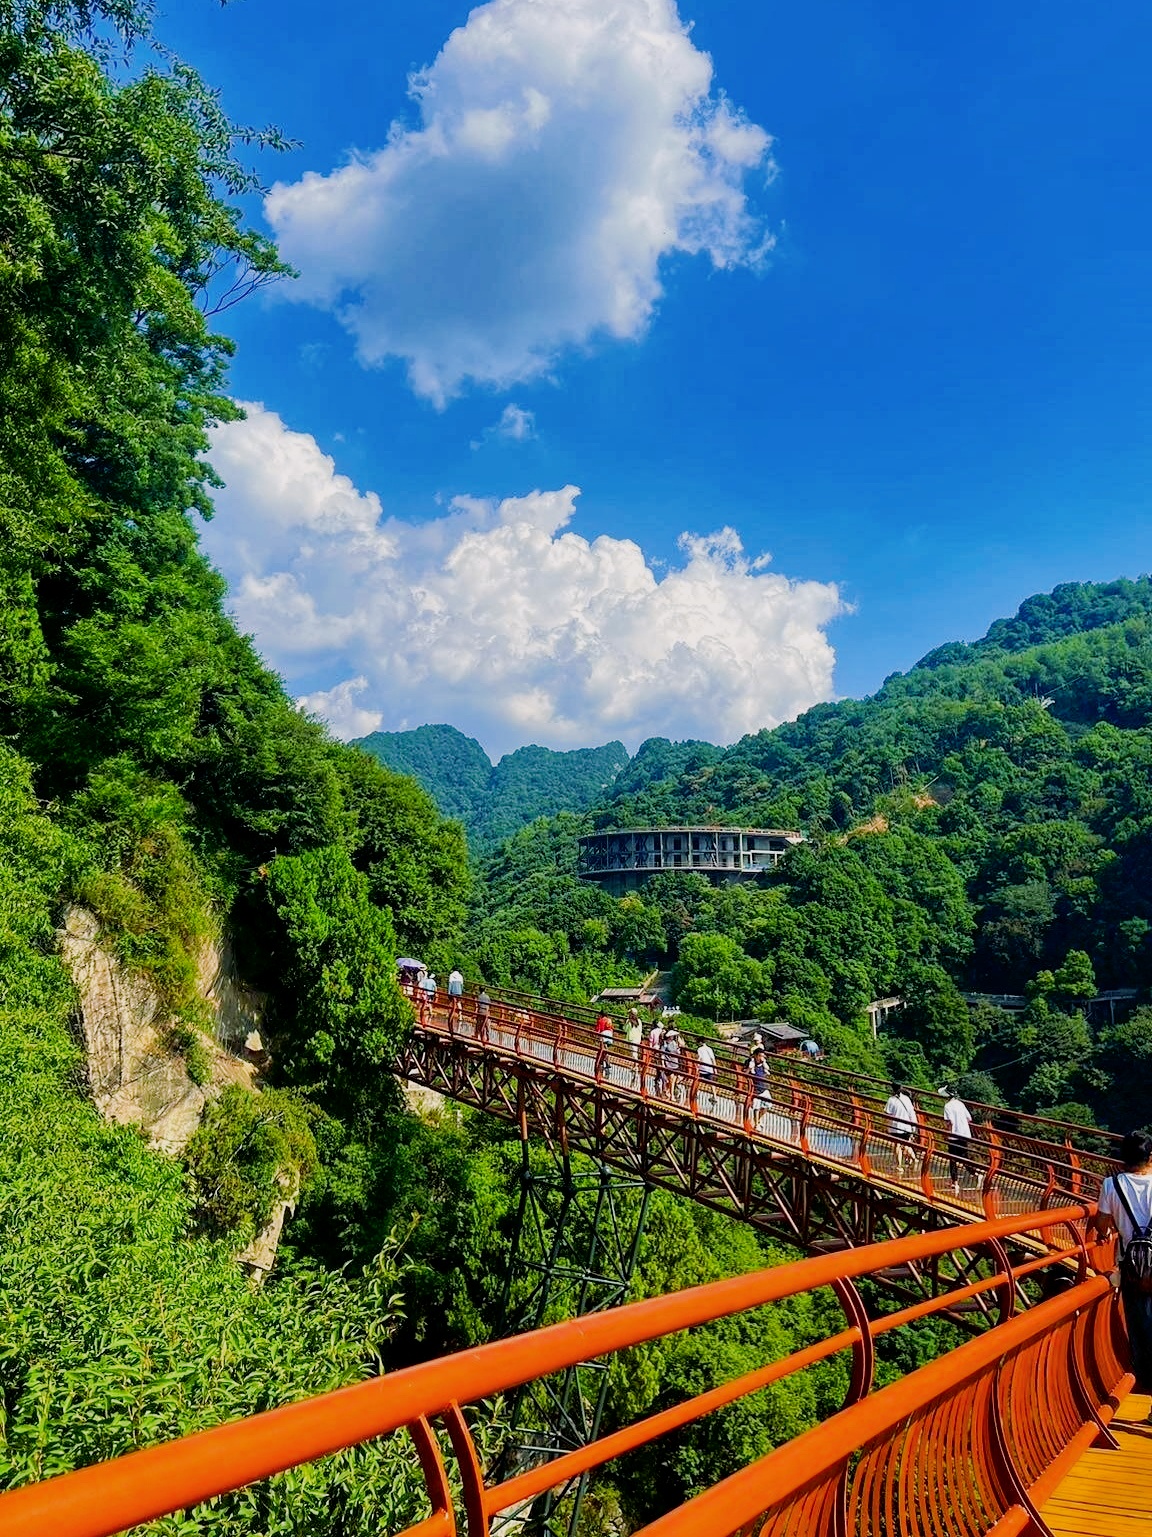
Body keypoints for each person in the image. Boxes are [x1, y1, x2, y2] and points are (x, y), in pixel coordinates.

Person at [1092, 1130, 1152, 1413]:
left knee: (1142, 1334)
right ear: (1150, 1158)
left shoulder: (1110, 1185)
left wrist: (1107, 1231)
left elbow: (1102, 1224)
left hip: (1134, 1273)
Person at [939, 1086, 974, 1194]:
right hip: (964, 1134)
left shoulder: (948, 1106)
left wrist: (947, 1133)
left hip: (954, 1135)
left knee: (952, 1159)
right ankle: (976, 1173)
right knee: (964, 1156)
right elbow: (969, 1118)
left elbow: (950, 1123)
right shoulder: (960, 1104)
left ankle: (955, 1182)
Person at [884, 1082, 918, 1176]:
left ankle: (899, 1166)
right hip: (907, 1126)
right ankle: (914, 1159)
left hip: (895, 1127)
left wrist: (887, 1126)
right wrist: (913, 1126)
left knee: (897, 1145)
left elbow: (888, 1113)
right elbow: (911, 1112)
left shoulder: (891, 1100)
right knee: (906, 1145)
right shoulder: (906, 1098)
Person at [750, 1048, 772, 1124]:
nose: (761, 1058)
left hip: (764, 1088)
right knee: (756, 1107)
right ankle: (756, 1124)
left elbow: (768, 1071)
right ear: (755, 1056)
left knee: (767, 1105)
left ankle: (758, 1119)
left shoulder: (763, 1064)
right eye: (759, 1056)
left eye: (762, 1056)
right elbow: (745, 1072)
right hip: (756, 1088)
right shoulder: (751, 1063)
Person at [663, 1025, 682, 1101]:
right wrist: (663, 1064)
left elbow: (678, 1052)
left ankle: (668, 1093)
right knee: (671, 1080)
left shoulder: (674, 1043)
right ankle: (671, 1095)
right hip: (669, 1064)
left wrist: (678, 1049)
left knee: (673, 1080)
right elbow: (662, 1054)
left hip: (675, 1063)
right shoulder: (665, 1044)